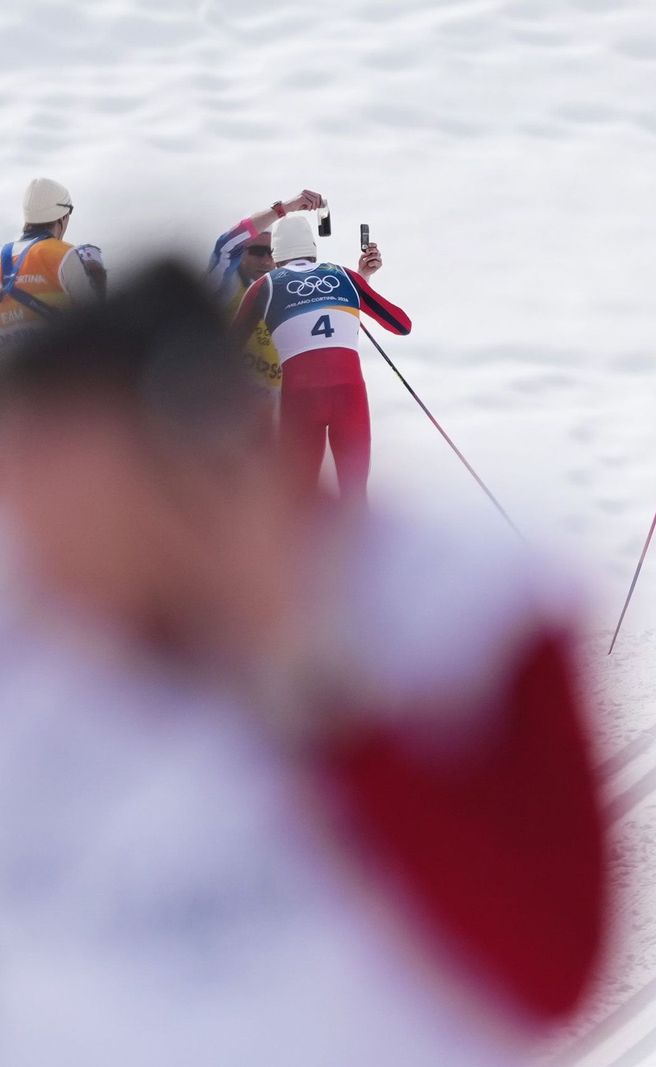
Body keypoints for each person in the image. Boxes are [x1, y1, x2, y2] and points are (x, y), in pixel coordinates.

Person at [0, 261, 608, 1064]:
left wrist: (308, 675)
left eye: (59, 502)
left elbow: (550, 967)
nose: (35, 549)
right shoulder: (37, 628)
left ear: (187, 468)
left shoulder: (457, 610)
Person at [228, 213, 411, 505]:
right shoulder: (344, 276)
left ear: (275, 256)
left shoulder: (263, 286)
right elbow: (402, 325)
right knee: (355, 498)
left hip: (300, 401)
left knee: (300, 502)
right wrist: (357, 290)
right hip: (349, 398)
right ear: (312, 249)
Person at [206, 189, 383, 391]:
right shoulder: (226, 287)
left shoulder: (297, 290)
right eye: (256, 251)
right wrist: (284, 208)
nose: (265, 260)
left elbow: (338, 324)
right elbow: (225, 247)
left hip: (282, 401)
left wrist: (361, 277)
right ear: (242, 252)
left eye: (270, 252)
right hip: (229, 399)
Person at [0, 177, 105, 348]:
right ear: (62, 217)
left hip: (10, 363)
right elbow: (96, 319)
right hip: (54, 360)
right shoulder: (64, 255)